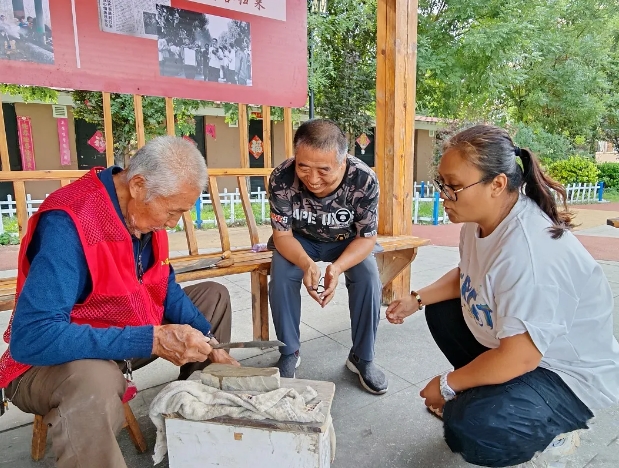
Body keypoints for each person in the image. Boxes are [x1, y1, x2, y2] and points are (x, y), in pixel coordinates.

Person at [386, 125, 619, 467]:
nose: (444, 196)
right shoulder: (480, 219)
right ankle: (487, 392)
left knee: (470, 430)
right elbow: (469, 275)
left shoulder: (530, 252)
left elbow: (520, 357)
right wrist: (416, 299)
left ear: (496, 184)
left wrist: (446, 384)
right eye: (442, 184)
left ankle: (554, 427)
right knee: (440, 310)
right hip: (524, 350)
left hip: (565, 374)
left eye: (453, 187)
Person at [0, 136, 239, 468]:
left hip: (122, 335)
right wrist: (150, 338)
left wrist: (210, 343)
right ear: (138, 185)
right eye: (172, 212)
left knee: (213, 297)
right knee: (94, 382)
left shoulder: (142, 212)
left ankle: (192, 417)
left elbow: (162, 285)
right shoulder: (70, 222)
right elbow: (32, 339)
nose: (172, 223)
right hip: (48, 363)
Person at [268, 119, 388, 395]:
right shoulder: (281, 177)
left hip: (346, 241)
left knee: (368, 277)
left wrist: (338, 267)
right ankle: (289, 351)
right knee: (282, 273)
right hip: (299, 240)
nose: (312, 178)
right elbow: (282, 236)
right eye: (303, 167)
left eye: (324, 170)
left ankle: (362, 357)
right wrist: (306, 263)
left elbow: (366, 237)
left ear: (343, 161)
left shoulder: (364, 179)